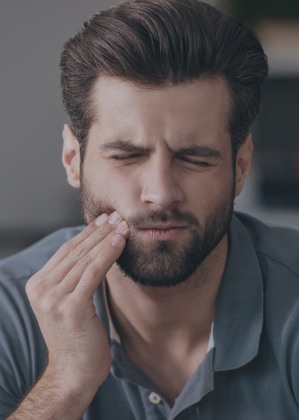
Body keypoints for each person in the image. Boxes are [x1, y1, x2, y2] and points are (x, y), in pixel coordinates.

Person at [1, 0, 299, 418]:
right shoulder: (6, 312)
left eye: (195, 159)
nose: (160, 194)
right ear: (73, 159)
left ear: (241, 166)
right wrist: (66, 385)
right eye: (126, 156)